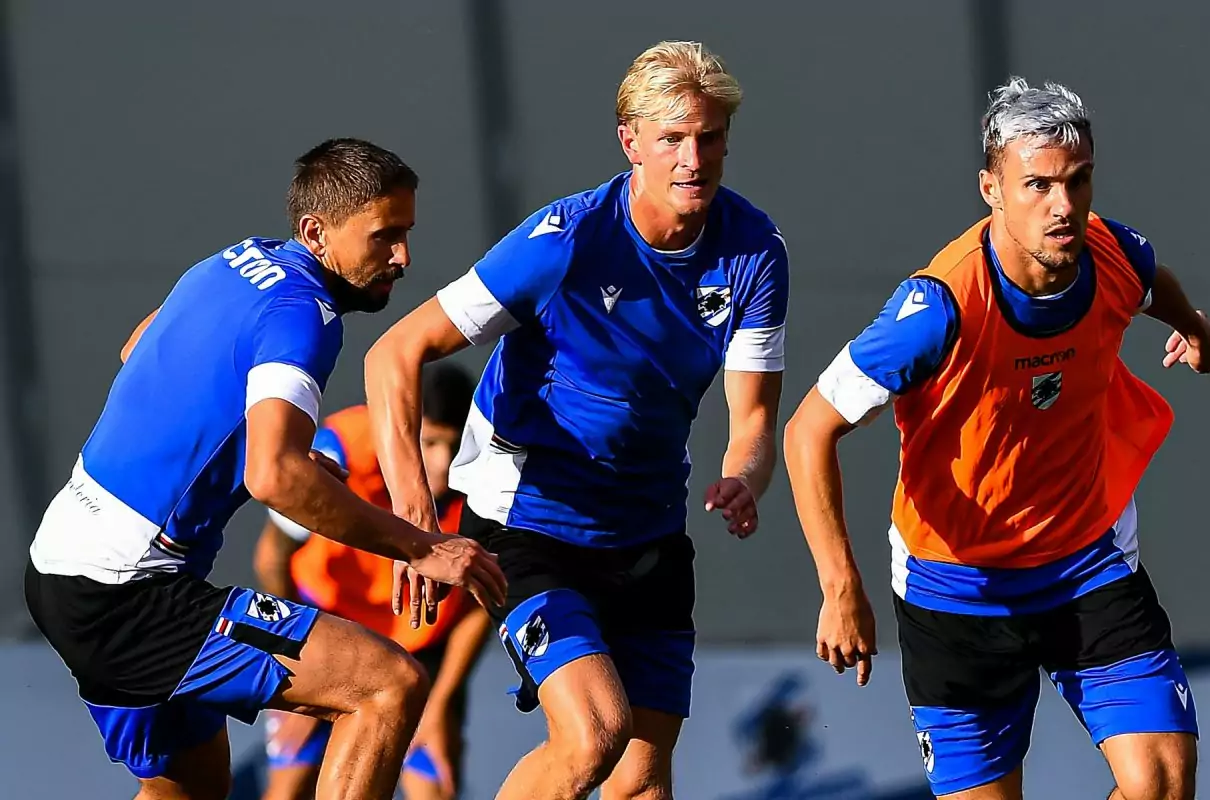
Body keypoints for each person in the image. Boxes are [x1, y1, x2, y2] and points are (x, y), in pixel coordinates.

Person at [364, 40, 789, 800]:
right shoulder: (565, 241)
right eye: (672, 139)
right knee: (594, 731)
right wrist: (417, 526)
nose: (693, 160)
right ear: (630, 141)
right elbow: (395, 352)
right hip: (529, 528)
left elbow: (753, 418)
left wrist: (744, 476)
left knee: (642, 782)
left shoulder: (755, 251)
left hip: (649, 532)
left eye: (710, 137)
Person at [783, 78, 1210, 800]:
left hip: (1086, 565)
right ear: (991, 189)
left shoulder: (1113, 253)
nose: (1063, 206)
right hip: (956, 589)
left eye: (1077, 181)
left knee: (1163, 784)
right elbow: (808, 430)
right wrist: (839, 587)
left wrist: (1197, 330)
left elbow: (1154, 283)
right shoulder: (939, 308)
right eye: (1038, 185)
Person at [24, 138, 505, 800]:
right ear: (316, 231)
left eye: (406, 233)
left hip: (63, 562)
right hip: (129, 592)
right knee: (388, 686)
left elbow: (140, 348)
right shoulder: (304, 313)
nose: (403, 257)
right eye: (384, 236)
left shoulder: (230, 263)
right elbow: (274, 478)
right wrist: (422, 547)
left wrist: (270, 445)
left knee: (192, 790)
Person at [254, 362, 489, 800]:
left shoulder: (486, 469)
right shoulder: (342, 447)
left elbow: (481, 602)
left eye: (453, 445)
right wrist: (293, 658)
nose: (442, 464)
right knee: (288, 786)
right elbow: (272, 556)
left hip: (420, 644)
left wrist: (440, 703)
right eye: (429, 442)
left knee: (435, 786)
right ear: (401, 432)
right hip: (325, 626)